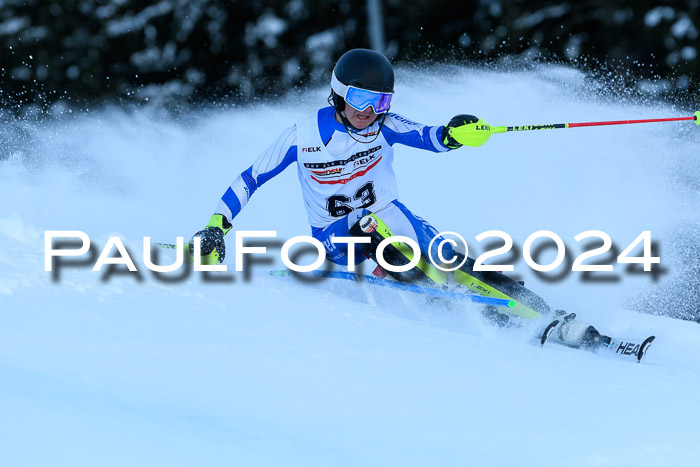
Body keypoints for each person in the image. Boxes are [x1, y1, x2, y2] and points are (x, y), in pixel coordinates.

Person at [187, 48, 603, 348]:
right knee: (370, 229)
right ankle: (453, 296)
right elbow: (249, 179)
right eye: (360, 100)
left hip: (389, 212)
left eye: (379, 102)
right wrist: (215, 228)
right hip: (333, 235)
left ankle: (542, 313)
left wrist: (456, 133)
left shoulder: (385, 126)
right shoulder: (302, 137)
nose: (369, 112)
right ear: (338, 95)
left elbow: (431, 137)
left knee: (449, 254)